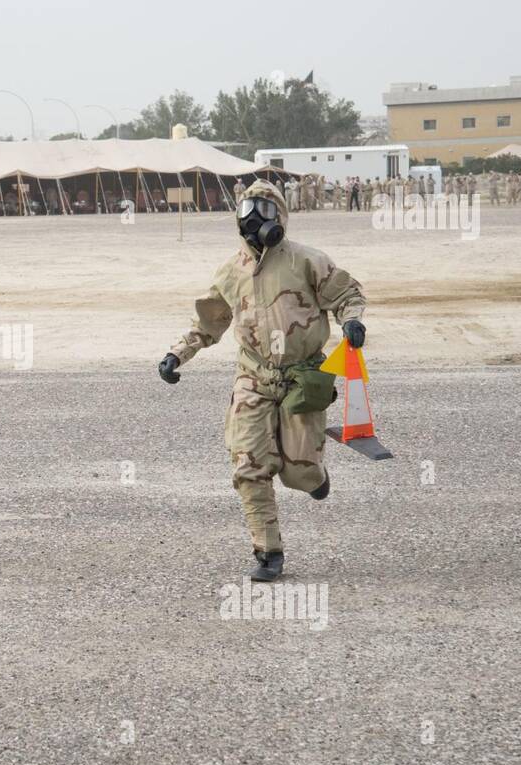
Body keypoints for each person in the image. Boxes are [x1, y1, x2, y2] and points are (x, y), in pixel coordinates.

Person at [157, 179, 367, 583]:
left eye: (266, 211)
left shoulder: (307, 260)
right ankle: (268, 552)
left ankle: (315, 477)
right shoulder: (230, 271)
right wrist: (176, 354)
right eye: (247, 210)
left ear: (281, 217)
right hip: (252, 377)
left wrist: (353, 320)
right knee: (249, 466)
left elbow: (347, 294)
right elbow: (207, 323)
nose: (255, 219)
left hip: (302, 376)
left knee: (298, 473)